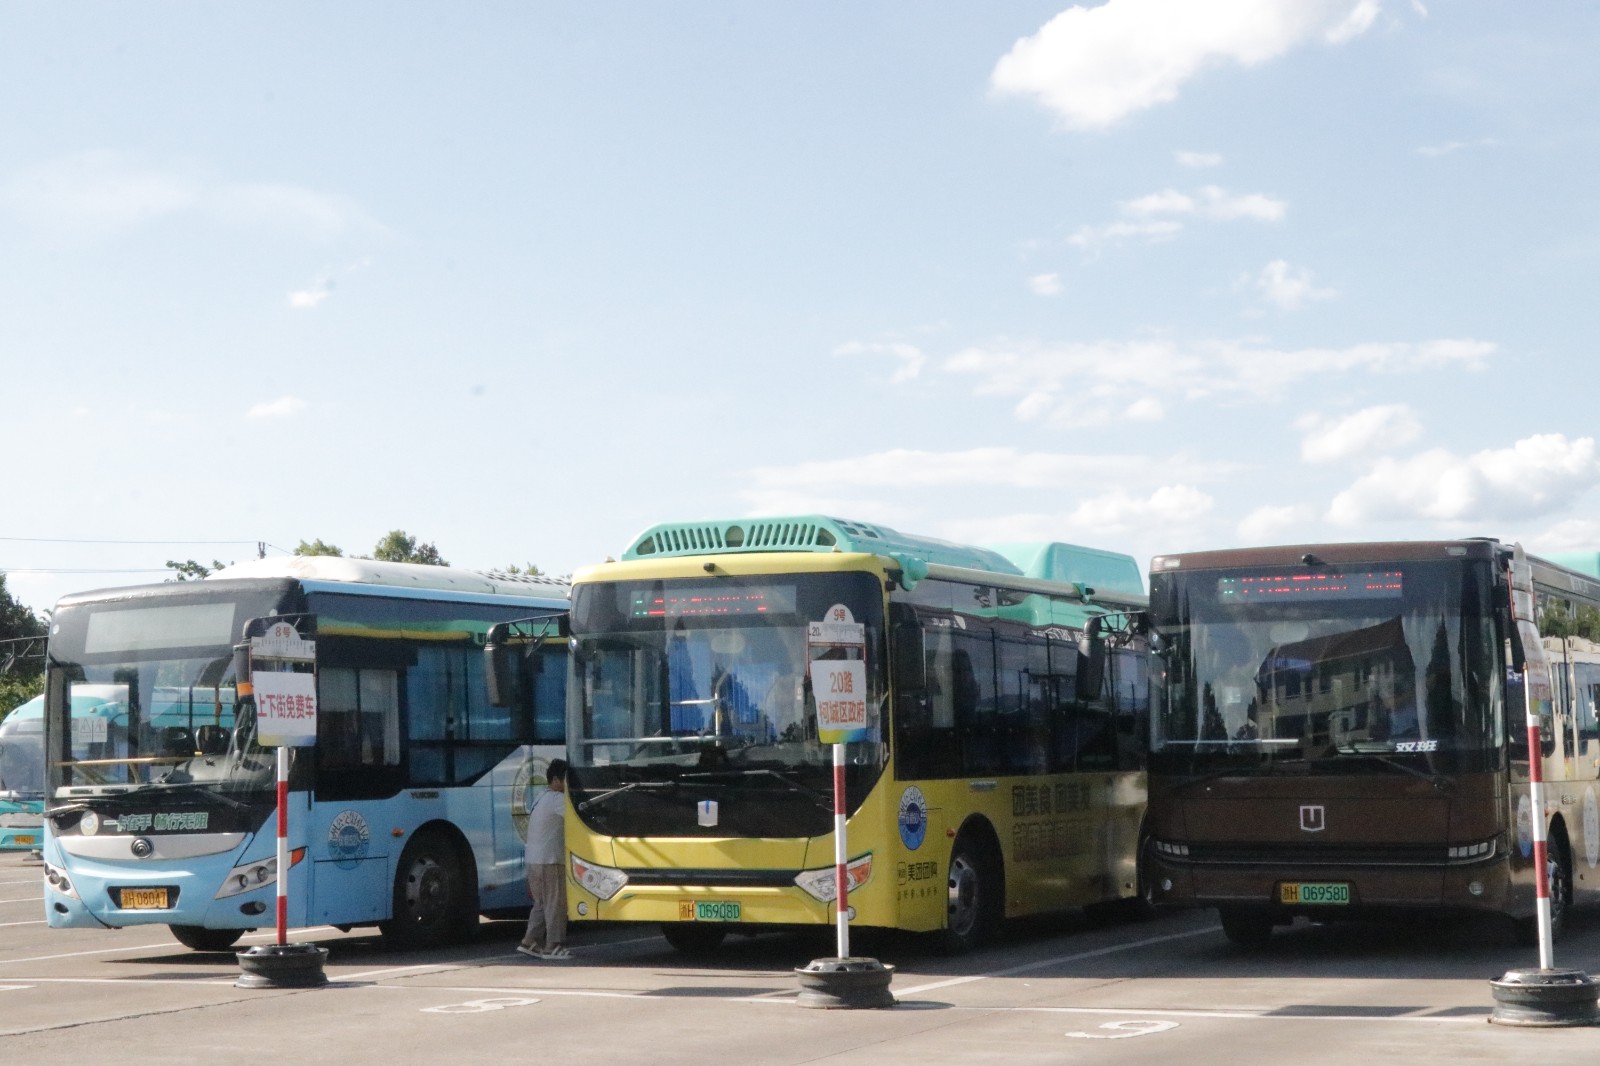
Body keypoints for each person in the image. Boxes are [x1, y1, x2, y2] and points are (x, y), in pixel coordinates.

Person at [518, 758, 572, 960]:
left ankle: (530, 941)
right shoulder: (557, 799)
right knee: (555, 904)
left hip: (533, 860)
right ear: (556, 780)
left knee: (541, 903)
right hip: (550, 860)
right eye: (567, 779)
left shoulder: (540, 797)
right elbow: (577, 817)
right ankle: (553, 946)